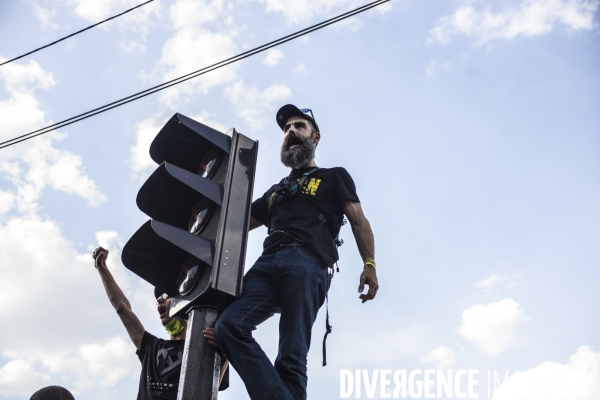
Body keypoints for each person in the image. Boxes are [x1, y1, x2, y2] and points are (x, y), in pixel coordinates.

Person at [214, 104, 378, 400]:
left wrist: (369, 264)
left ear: (315, 138)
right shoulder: (275, 192)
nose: (290, 132)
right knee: (228, 326)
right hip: (265, 266)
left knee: (291, 357)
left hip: (307, 263)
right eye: (287, 128)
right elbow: (232, 224)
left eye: (298, 126)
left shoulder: (334, 176)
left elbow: (358, 220)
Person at [91, 247, 228, 400]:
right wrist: (102, 268)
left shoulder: (205, 346)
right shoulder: (151, 347)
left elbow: (210, 389)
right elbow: (122, 308)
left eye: (167, 295)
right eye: (159, 297)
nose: (160, 300)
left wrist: (225, 353)